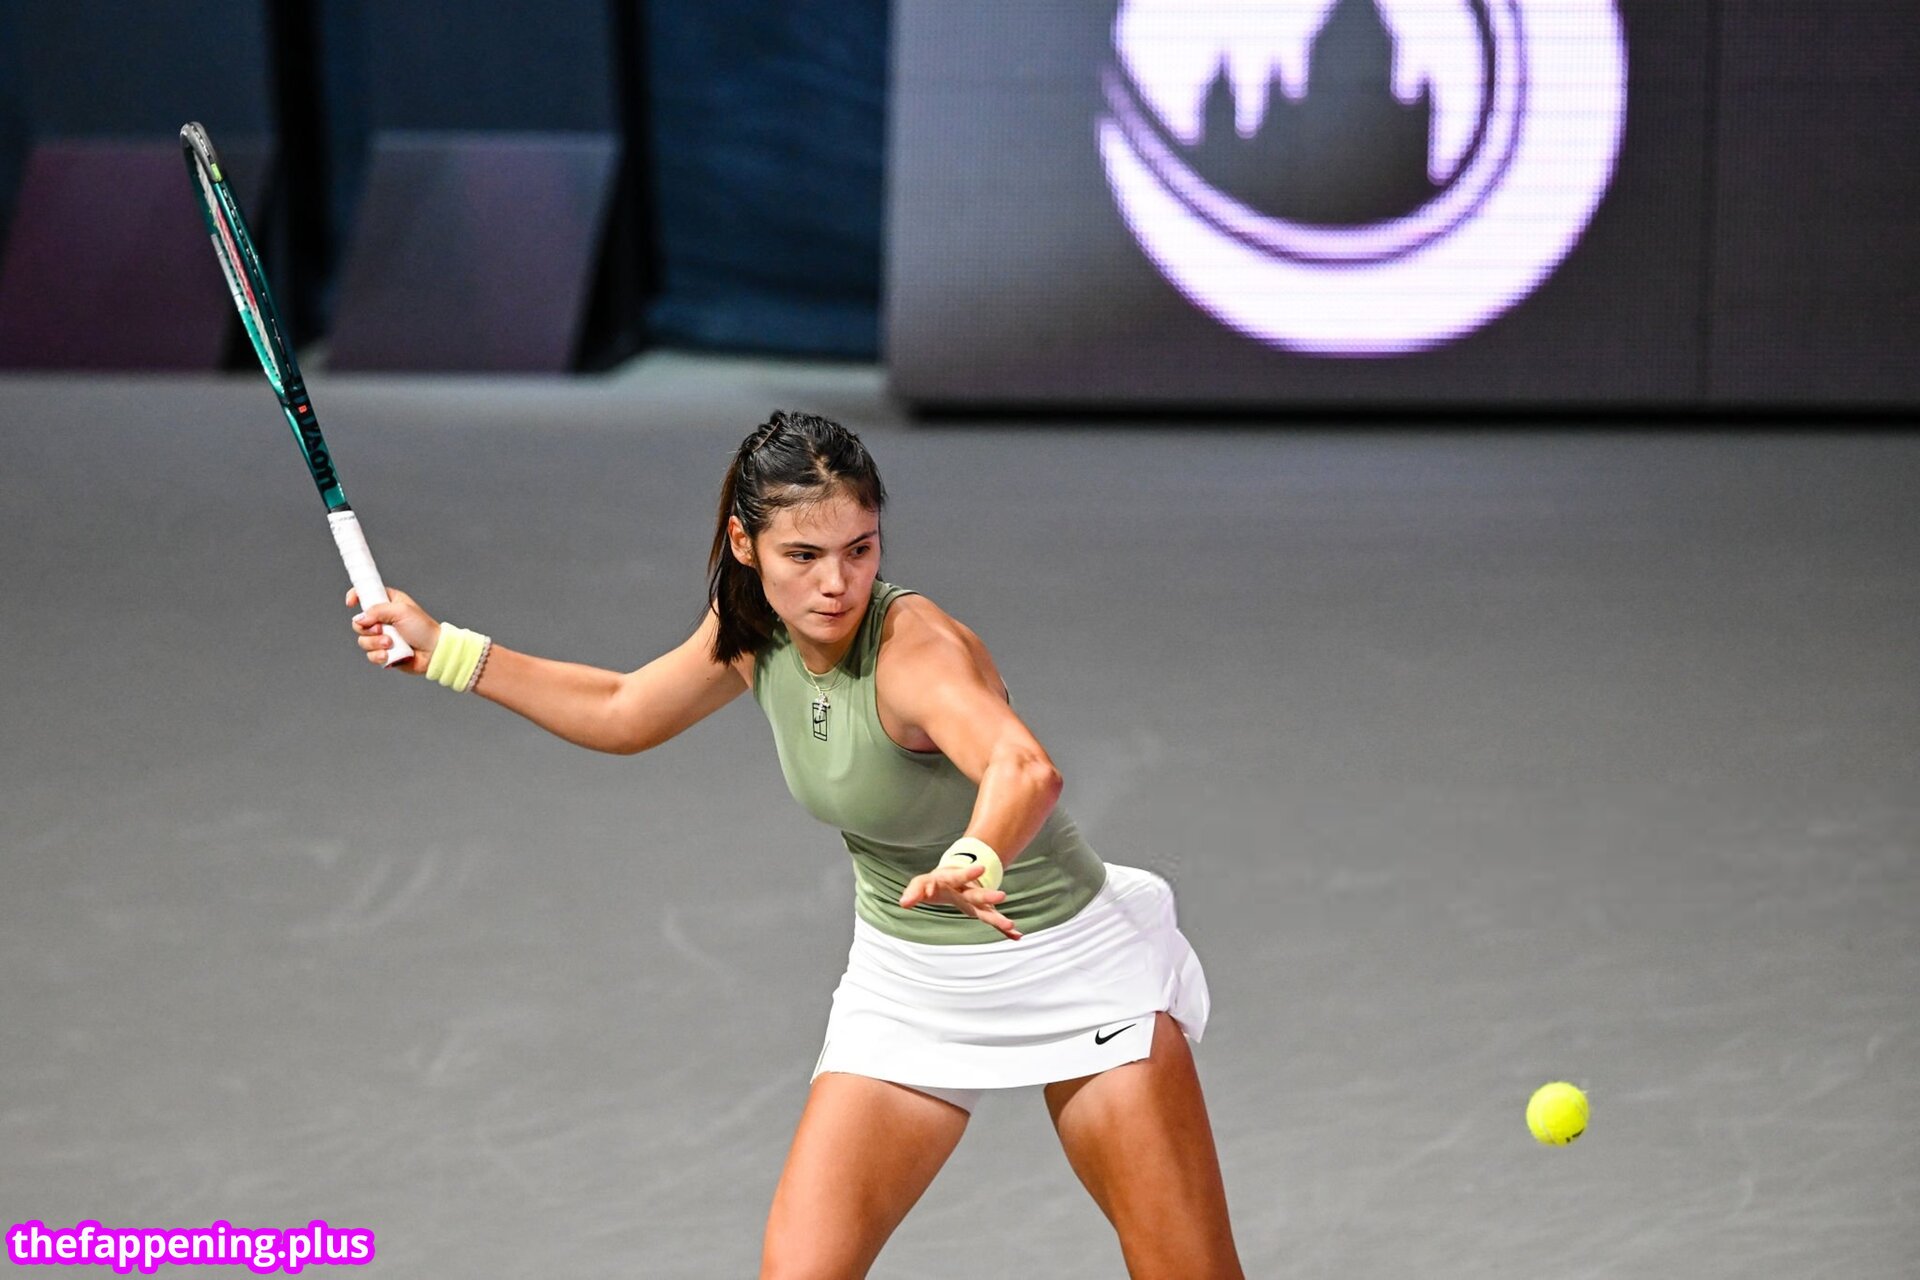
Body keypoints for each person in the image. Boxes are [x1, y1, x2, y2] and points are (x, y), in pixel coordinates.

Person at [348, 411, 1244, 1280]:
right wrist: (447, 653)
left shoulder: (915, 651)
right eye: (804, 556)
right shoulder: (753, 631)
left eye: (860, 549)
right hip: (909, 985)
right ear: (746, 545)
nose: (836, 584)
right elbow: (624, 710)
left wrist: (975, 855)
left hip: (1070, 971)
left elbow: (1023, 767)